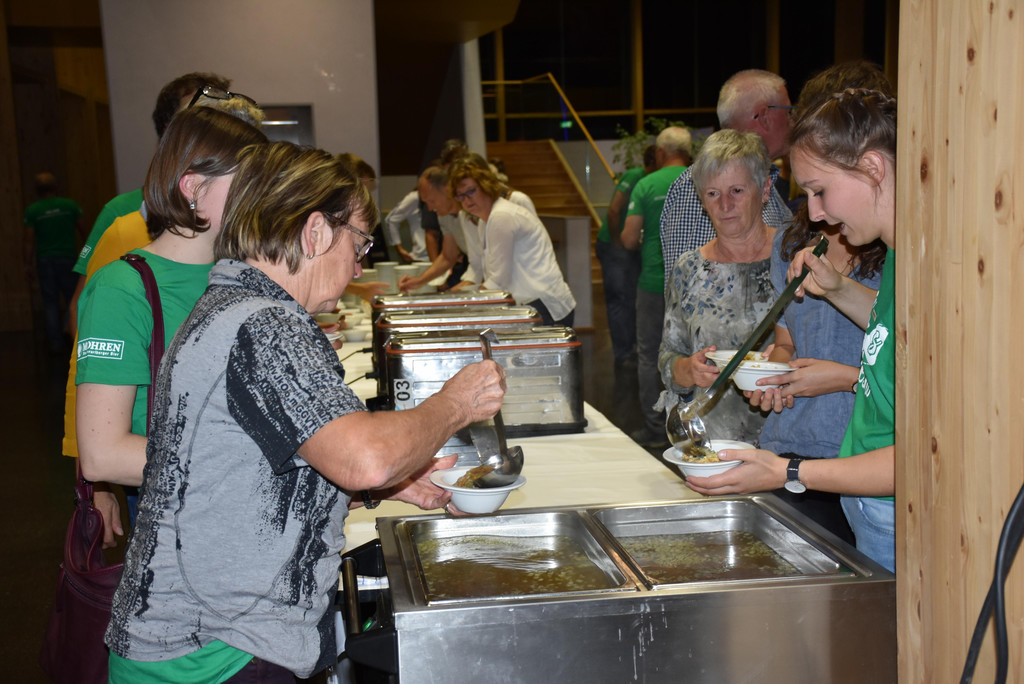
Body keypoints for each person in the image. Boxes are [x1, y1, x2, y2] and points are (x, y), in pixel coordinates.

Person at [105, 142, 506, 681]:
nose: (358, 265)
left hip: (187, 638)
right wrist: (456, 402)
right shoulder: (266, 325)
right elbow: (365, 458)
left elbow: (249, 469)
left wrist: (389, 488)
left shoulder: (230, 305)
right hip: (213, 652)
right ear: (315, 232)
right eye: (359, 245)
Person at [684, 89, 898, 573]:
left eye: (819, 190)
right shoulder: (892, 258)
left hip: (876, 498)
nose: (815, 212)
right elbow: (895, 329)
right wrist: (837, 288)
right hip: (861, 497)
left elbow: (921, 456)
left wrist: (785, 470)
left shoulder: (918, 261)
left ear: (872, 168)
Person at [76, 106, 267, 540]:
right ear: (193, 187)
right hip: (181, 524)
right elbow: (103, 453)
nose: (261, 200)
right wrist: (253, 462)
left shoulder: (244, 274)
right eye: (249, 185)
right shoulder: (122, 288)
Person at [741, 61, 893, 543]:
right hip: (815, 459)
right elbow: (790, 338)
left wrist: (843, 378)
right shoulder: (798, 244)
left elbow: (913, 430)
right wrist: (775, 373)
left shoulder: (904, 254)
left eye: (820, 189)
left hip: (857, 468)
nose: (814, 210)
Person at [657, 129, 778, 446]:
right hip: (712, 447)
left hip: (787, 446)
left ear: (764, 189)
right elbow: (668, 358)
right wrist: (687, 370)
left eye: (737, 190)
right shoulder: (689, 269)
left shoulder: (795, 260)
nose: (725, 205)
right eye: (713, 193)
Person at [659, 69, 794, 287]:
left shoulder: (763, 179)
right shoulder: (697, 184)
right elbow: (694, 293)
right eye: (788, 111)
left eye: (737, 191)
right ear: (765, 117)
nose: (792, 120)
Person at [621, 127, 692, 448]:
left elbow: (627, 237)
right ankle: (689, 427)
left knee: (650, 355)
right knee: (693, 354)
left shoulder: (647, 184)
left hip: (654, 282)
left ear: (661, 152)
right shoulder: (699, 179)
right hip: (696, 286)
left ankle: (655, 429)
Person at [448, 156, 576, 326]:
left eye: (471, 191)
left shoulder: (501, 216)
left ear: (486, 186)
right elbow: (489, 273)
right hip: (532, 302)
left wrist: (465, 305)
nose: (466, 200)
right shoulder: (486, 220)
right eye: (461, 196)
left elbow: (499, 280)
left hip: (544, 304)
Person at [594, 144, 654, 366]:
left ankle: (631, 348)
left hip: (628, 248)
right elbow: (614, 210)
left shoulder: (648, 179)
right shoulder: (634, 176)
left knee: (630, 298)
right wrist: (618, 243)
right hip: (613, 245)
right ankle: (623, 353)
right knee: (619, 299)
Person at [22, 172, 83, 351]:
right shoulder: (70, 206)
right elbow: (85, 230)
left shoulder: (33, 210)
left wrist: (27, 264)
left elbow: (28, 240)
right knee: (74, 299)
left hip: (45, 260)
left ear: (37, 190)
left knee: (50, 302)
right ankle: (74, 337)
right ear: (56, 187)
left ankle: (55, 344)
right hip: (68, 258)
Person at [383, 188, 436, 263]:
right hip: (422, 258)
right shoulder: (415, 197)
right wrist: (400, 249)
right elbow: (390, 220)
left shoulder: (444, 196)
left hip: (442, 256)